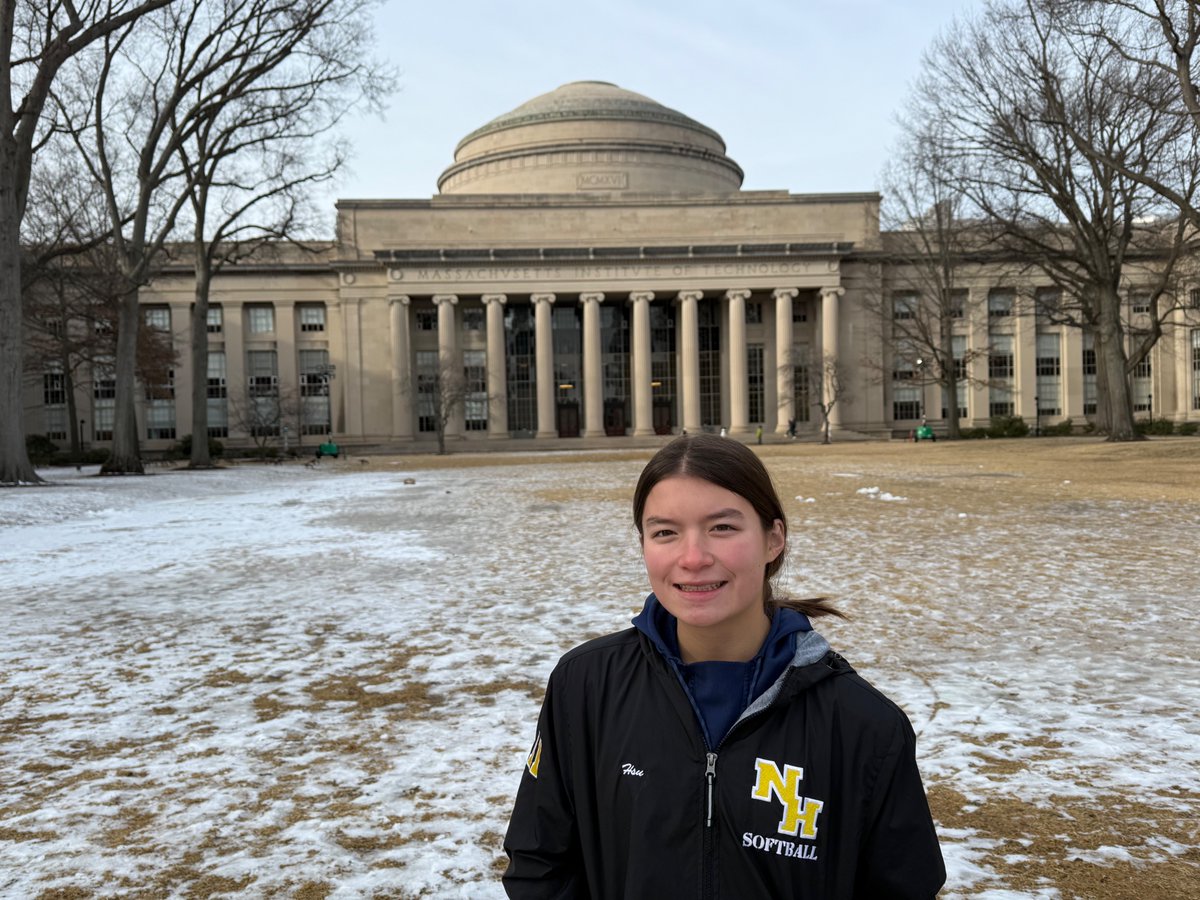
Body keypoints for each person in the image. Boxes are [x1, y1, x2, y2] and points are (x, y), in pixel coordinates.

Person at [503, 434, 944, 899]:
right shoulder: (586, 685)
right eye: (665, 532)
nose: (692, 558)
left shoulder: (864, 726)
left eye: (723, 528)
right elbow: (540, 861)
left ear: (773, 538)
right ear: (643, 544)